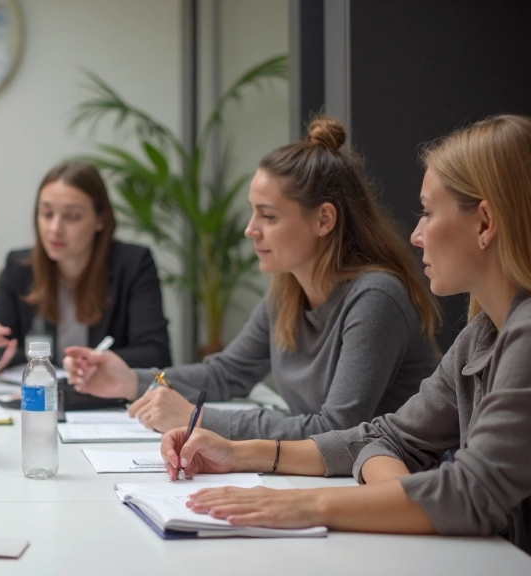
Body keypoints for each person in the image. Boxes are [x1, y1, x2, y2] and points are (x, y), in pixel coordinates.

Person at [162, 114, 531, 553]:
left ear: (485, 224)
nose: (415, 235)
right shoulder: (481, 335)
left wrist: (309, 506)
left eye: (429, 213)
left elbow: (469, 493)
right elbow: (383, 437)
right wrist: (240, 453)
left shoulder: (521, 333)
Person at [65, 116, 440, 439]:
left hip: (400, 486)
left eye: (269, 216)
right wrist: (131, 380)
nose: (250, 230)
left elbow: (336, 428)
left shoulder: (375, 297)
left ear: (324, 219)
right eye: (252, 213)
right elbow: (228, 373)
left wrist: (199, 419)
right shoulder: (288, 291)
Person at [0, 161, 171, 371]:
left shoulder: (133, 264)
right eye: (47, 214)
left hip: (107, 401)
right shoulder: (19, 267)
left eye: (72, 216)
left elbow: (156, 354)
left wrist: (93, 362)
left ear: (100, 219)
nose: (55, 229)